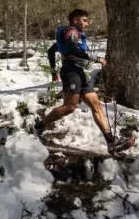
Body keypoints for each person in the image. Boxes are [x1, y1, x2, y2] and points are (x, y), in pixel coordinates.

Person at [34, 9, 135, 154]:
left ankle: (111, 142)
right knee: (69, 107)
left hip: (80, 73)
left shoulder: (74, 35)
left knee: (97, 105)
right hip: (70, 72)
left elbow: (52, 50)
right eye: (85, 20)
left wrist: (53, 71)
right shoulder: (71, 32)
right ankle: (38, 126)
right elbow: (73, 50)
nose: (87, 24)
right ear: (75, 20)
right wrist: (96, 58)